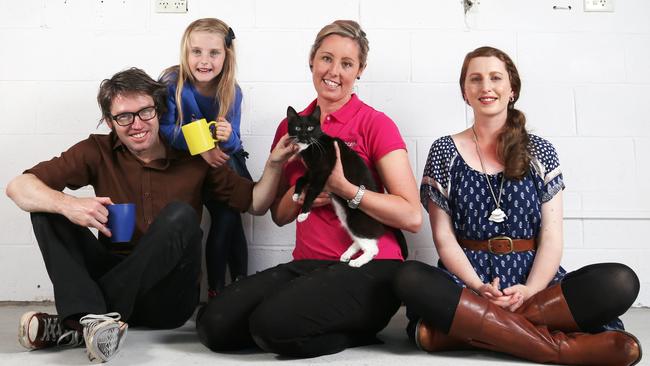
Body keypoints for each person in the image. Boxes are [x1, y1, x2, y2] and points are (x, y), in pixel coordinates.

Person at [5, 68, 297, 363]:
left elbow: (256, 204)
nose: (137, 124)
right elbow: (19, 186)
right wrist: (67, 204)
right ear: (110, 121)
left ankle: (79, 320)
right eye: (124, 117)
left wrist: (274, 164)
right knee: (46, 209)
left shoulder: (194, 154)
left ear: (158, 110)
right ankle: (94, 323)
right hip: (113, 269)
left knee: (180, 216)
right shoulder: (97, 150)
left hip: (168, 300)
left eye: (145, 112)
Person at [393, 46, 641, 365]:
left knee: (620, 281)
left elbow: (551, 236)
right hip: (468, 282)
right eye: (476, 79)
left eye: (495, 77)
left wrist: (528, 290)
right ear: (465, 92)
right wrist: (479, 287)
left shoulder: (541, 151)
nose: (486, 87)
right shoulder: (444, 150)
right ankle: (560, 349)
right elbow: (443, 238)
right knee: (408, 277)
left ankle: (469, 331)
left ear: (512, 89)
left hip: (534, 280)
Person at [196, 20, 422, 358]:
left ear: (359, 71)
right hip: (308, 265)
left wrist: (345, 189)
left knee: (271, 327)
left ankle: (354, 332)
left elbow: (412, 216)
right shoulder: (293, 127)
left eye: (347, 64)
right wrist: (301, 192)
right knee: (214, 324)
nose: (334, 71)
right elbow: (281, 216)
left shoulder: (375, 124)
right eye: (326, 58)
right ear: (312, 61)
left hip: (371, 265)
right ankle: (290, 323)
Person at [159, 18, 251, 298]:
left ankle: (232, 289)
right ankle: (219, 290)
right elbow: (166, 130)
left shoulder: (232, 92)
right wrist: (202, 147)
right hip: (187, 165)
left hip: (221, 164)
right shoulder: (173, 84)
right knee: (222, 218)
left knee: (229, 219)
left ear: (227, 55)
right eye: (196, 52)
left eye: (214, 53)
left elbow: (234, 143)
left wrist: (227, 136)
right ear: (186, 53)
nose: (204, 60)